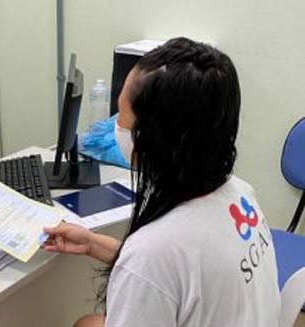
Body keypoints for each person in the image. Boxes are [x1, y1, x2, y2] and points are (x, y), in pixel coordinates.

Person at [43, 38, 280, 326]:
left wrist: (132, 260)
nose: (116, 126)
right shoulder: (239, 192)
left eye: (123, 116)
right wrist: (92, 243)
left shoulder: (153, 254)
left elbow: (158, 268)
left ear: (158, 136)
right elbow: (178, 275)